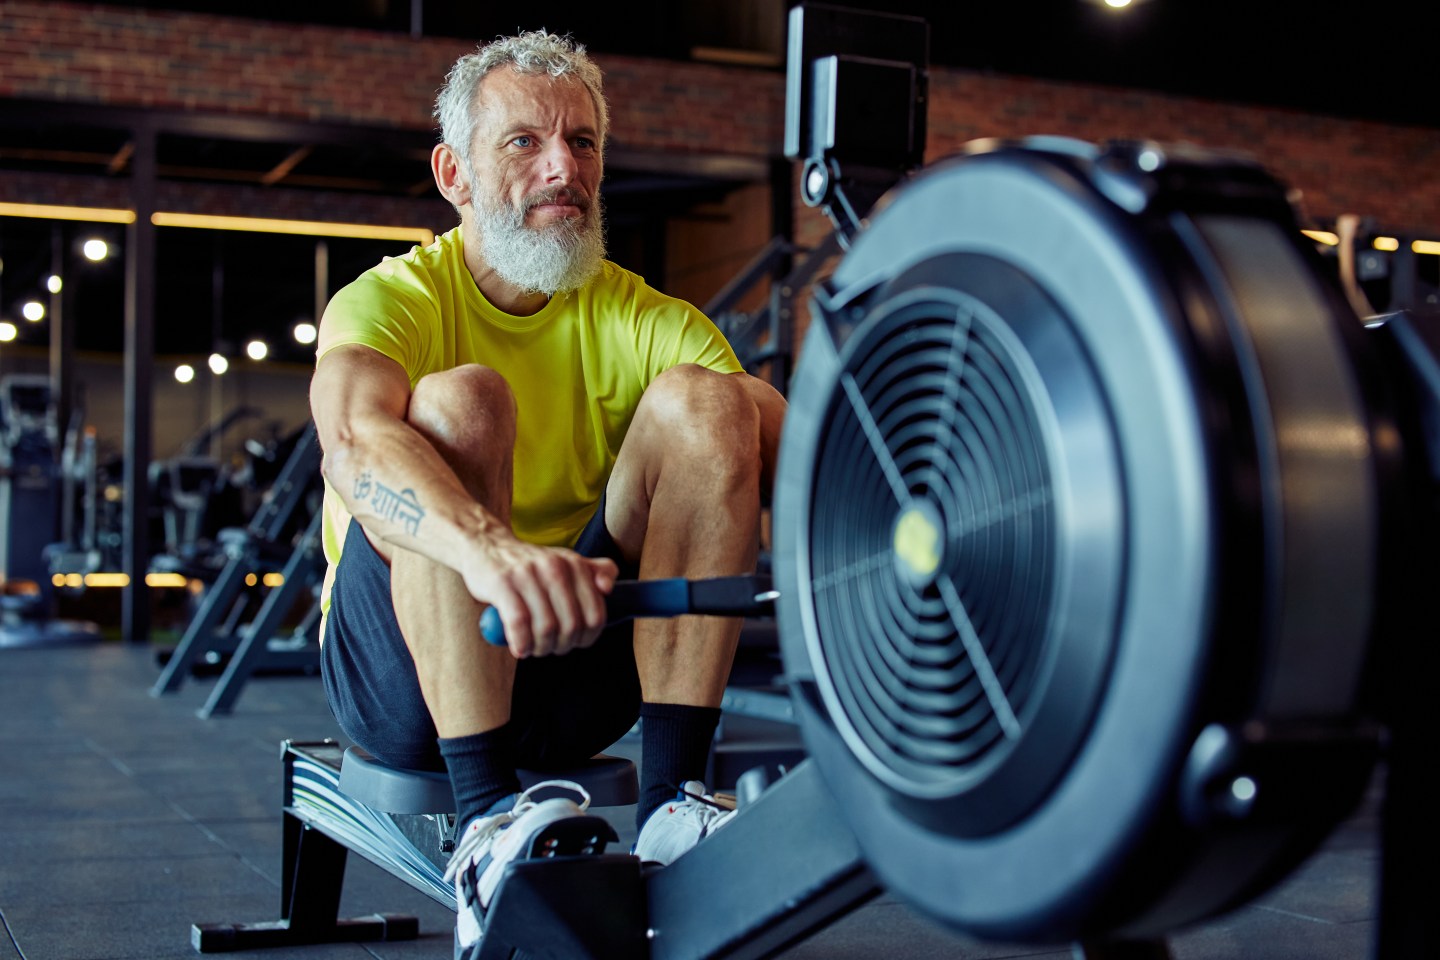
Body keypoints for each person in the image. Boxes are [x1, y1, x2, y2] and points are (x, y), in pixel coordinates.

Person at [308, 29, 785, 954]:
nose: (563, 167)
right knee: (461, 402)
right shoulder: (394, 300)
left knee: (712, 403)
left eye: (583, 141)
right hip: (406, 672)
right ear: (454, 174)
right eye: (524, 141)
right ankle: (486, 830)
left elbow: (794, 445)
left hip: (578, 662)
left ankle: (674, 804)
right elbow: (353, 445)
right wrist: (491, 556)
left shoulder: (644, 316)